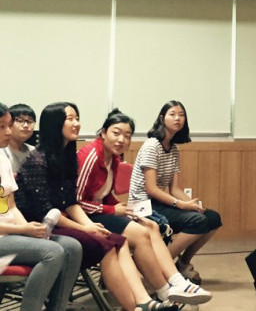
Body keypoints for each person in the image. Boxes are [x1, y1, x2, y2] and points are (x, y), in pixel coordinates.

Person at [15, 102, 178, 311]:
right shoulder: (37, 160)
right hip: (39, 226)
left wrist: (88, 225)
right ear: (55, 123)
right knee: (105, 244)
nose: (77, 123)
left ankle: (144, 300)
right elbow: (45, 212)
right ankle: (136, 306)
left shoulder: (66, 157)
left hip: (62, 220)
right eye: (70, 119)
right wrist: (85, 228)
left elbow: (71, 202)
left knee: (117, 240)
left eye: (77, 118)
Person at [76, 108, 211, 305]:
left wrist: (120, 207)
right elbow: (76, 201)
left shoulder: (114, 157)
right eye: (116, 133)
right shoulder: (91, 156)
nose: (121, 140)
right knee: (140, 233)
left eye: (127, 136)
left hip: (100, 210)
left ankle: (177, 282)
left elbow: (104, 194)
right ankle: (164, 290)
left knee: (151, 225)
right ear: (104, 133)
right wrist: (113, 210)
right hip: (84, 216)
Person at [0, 101, 83, 311]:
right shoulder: (33, 159)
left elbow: (11, 207)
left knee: (72, 247)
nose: (8, 131)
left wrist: (29, 229)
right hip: (4, 236)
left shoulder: (3, 161)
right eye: (2, 127)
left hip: (12, 233)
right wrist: (22, 230)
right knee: (52, 252)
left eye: (9, 125)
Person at [129, 100, 222, 284]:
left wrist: (193, 205)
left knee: (212, 218)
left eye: (181, 115)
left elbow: (175, 189)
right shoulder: (152, 145)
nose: (177, 118)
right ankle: (160, 268)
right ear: (162, 118)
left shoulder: (173, 150)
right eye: (172, 114)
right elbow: (151, 189)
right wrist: (181, 205)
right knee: (198, 222)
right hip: (142, 205)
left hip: (159, 202)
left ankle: (183, 263)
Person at [2, 104, 37, 173]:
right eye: (20, 121)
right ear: (9, 123)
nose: (26, 125)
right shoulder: (2, 150)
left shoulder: (33, 151)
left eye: (30, 121)